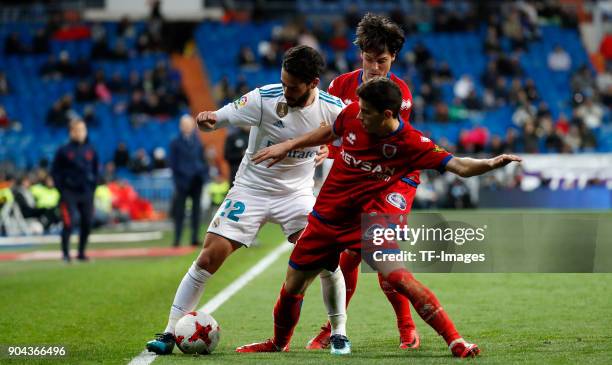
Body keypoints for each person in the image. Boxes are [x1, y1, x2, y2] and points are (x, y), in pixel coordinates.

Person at [237, 78, 521, 357]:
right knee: (293, 285)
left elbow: (458, 165)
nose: (358, 115)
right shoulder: (351, 114)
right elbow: (328, 133)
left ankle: (455, 340)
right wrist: (288, 145)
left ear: (387, 115)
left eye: (366, 112)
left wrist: (491, 163)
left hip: (365, 224)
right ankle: (278, 342)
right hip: (325, 219)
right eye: (359, 109)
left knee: (399, 278)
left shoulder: (411, 143)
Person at [145, 45, 350, 355]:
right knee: (208, 256)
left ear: (313, 84)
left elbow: (357, 138)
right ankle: (170, 331)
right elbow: (220, 116)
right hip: (251, 190)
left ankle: (339, 333)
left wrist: (331, 150)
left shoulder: (333, 109)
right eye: (283, 83)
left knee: (326, 258)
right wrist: (209, 119)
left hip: (296, 195)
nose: (285, 91)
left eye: (292, 87)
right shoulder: (264, 98)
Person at [311, 13, 420, 350]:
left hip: (393, 179)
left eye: (382, 61)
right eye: (369, 59)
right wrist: (324, 148)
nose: (374, 67)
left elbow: (385, 147)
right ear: (361, 54)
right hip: (358, 176)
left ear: (394, 58)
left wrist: (335, 151)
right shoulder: (339, 86)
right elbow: (335, 130)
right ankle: (335, 329)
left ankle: (407, 328)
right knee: (347, 257)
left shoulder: (398, 95)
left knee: (375, 251)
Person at [51, 119, 99, 262]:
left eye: (83, 130)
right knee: (68, 223)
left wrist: (92, 187)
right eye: (77, 130)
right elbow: (55, 171)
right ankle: (65, 254)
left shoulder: (91, 149)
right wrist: (62, 189)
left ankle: (81, 253)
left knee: (88, 223)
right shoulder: (63, 150)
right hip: (69, 192)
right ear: (71, 132)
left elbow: (96, 170)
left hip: (86, 192)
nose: (80, 133)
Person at [168, 114, 208, 247]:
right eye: (185, 125)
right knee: (179, 212)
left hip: (197, 181)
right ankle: (177, 239)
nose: (188, 127)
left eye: (190, 125)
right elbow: (173, 164)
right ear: (181, 126)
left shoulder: (198, 141)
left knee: (196, 211)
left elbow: (203, 159)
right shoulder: (175, 142)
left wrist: (203, 174)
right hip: (182, 182)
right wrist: (177, 180)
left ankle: (194, 238)